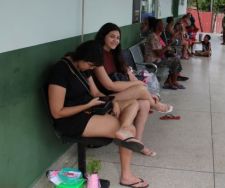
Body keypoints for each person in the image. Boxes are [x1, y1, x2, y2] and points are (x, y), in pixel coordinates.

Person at [47, 40, 149, 187]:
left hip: (89, 108)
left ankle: (124, 129)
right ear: (82, 57)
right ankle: (126, 176)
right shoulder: (60, 71)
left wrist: (111, 100)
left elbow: (95, 92)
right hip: (71, 119)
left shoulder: (82, 65)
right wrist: (87, 105)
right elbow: (57, 113)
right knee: (131, 131)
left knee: (133, 103)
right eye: (90, 65)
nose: (91, 68)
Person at [94, 23, 175, 156]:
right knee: (141, 90)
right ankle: (157, 105)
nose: (115, 40)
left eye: (118, 37)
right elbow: (109, 86)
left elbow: (129, 77)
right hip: (106, 96)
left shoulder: (116, 55)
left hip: (119, 93)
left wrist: (139, 85)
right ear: (103, 37)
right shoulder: (97, 56)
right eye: (111, 36)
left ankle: (138, 143)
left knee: (144, 103)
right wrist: (137, 86)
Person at [145, 18, 187, 90]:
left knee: (175, 59)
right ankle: (172, 82)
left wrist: (168, 47)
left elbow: (162, 50)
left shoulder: (157, 36)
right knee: (175, 61)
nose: (164, 26)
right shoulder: (153, 37)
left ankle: (171, 82)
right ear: (157, 26)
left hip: (158, 59)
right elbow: (159, 53)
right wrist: (168, 45)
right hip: (153, 62)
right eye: (162, 24)